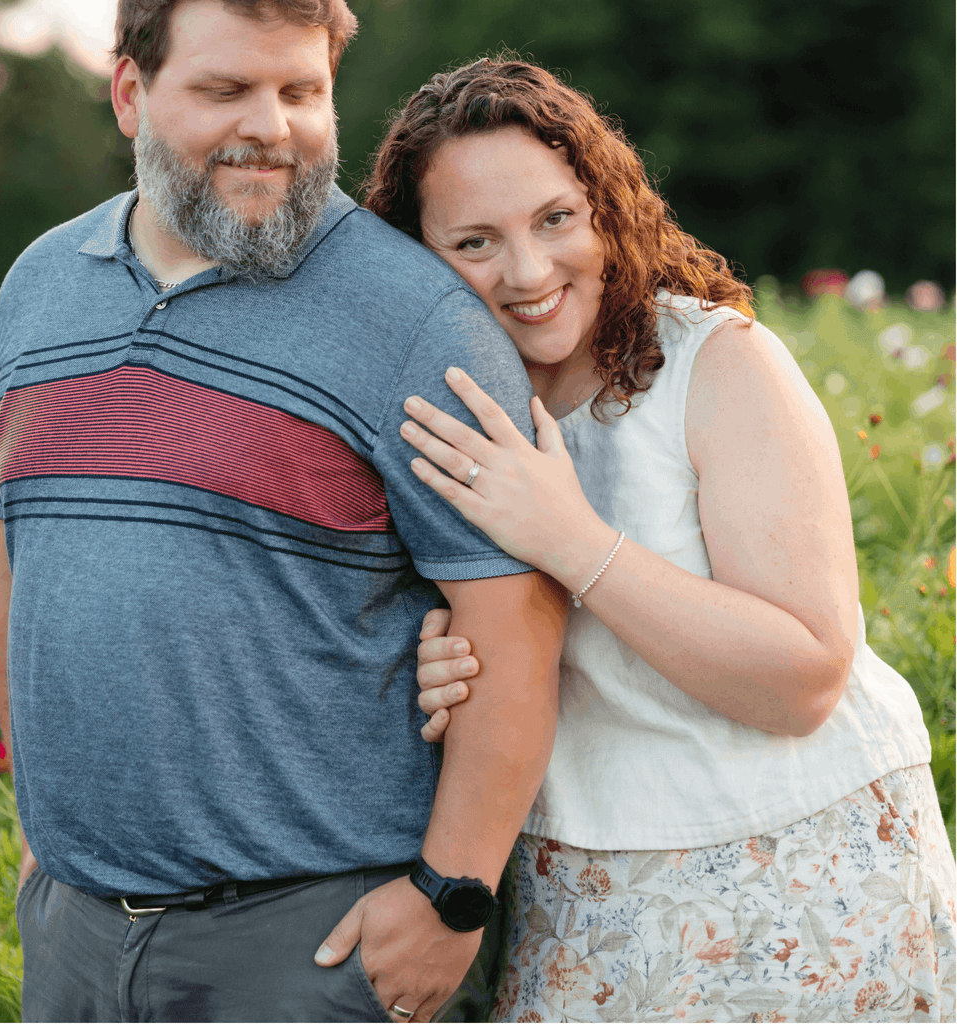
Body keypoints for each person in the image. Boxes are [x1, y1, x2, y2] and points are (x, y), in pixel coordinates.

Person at [0, 0, 566, 1023]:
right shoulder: (40, 286)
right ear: (130, 94)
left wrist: (452, 894)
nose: (270, 128)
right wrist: (41, 841)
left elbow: (516, 617)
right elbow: (15, 566)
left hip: (313, 943)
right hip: (77, 929)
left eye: (302, 90)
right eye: (227, 88)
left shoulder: (411, 317)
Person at [336, 56, 955, 1021]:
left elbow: (803, 681)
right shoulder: (447, 413)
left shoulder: (716, 361)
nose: (530, 272)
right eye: (474, 241)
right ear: (416, 256)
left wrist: (572, 540)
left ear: (604, 206)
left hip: (801, 865)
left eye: (554, 220)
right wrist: (444, 661)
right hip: (580, 886)